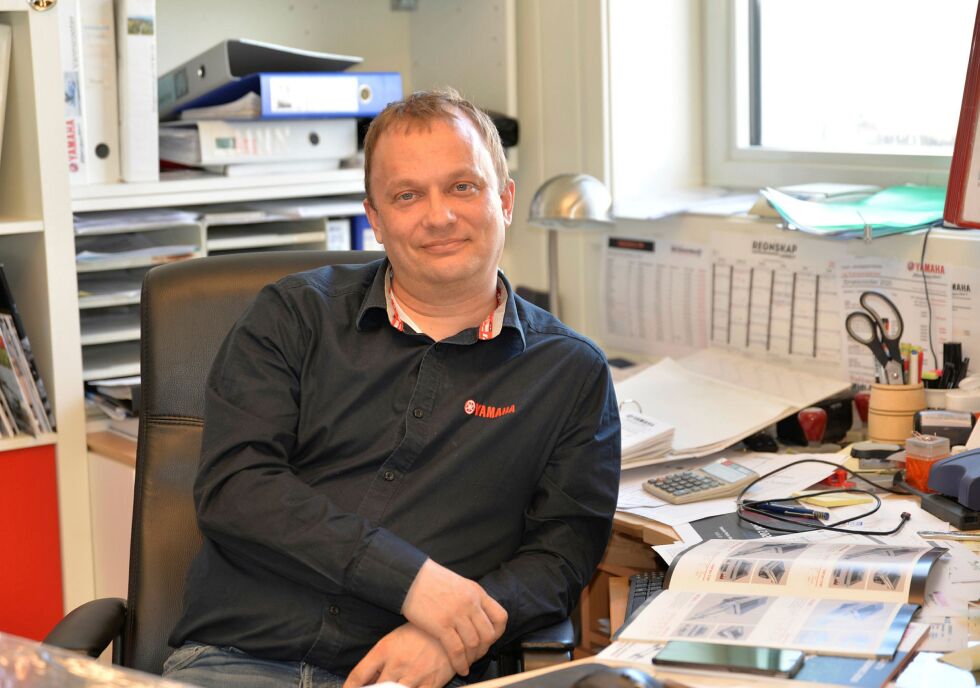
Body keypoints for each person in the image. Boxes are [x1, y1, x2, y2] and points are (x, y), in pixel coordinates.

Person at [163, 88, 621, 688]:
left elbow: (560, 555)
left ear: (504, 200)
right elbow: (237, 487)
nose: (439, 216)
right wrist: (413, 583)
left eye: (463, 186)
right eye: (408, 195)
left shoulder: (570, 374)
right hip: (237, 661)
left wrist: (453, 637)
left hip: (413, 673)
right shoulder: (294, 316)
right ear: (375, 219)